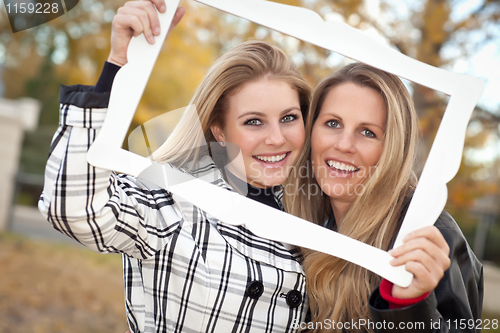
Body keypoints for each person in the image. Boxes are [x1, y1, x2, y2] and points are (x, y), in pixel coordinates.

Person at [38, 0, 313, 332]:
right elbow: (76, 209)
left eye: (289, 118)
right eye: (254, 121)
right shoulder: (175, 200)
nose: (276, 138)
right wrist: (121, 62)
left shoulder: (320, 210)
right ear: (219, 131)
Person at [283, 63, 483, 332]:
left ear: (392, 149)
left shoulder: (429, 235)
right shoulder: (298, 218)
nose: (343, 144)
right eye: (333, 123)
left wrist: (407, 306)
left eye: (368, 132)